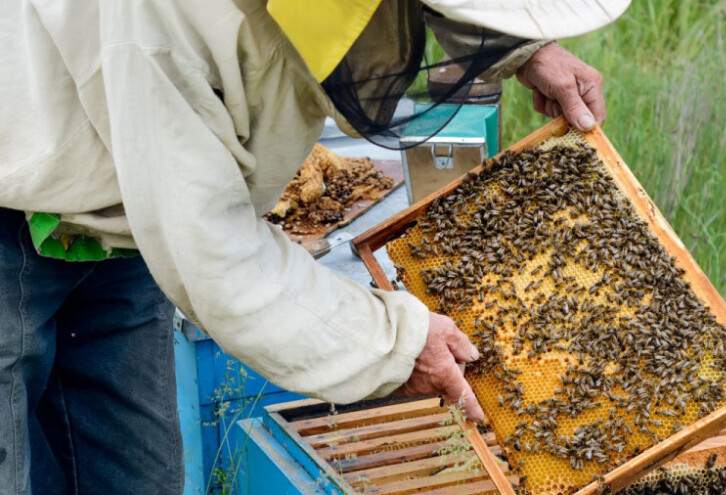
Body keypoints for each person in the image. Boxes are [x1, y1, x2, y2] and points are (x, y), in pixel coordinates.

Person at [0, 0, 629, 492]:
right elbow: (218, 258)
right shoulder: (157, 29)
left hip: (132, 234)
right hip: (23, 212)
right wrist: (397, 345)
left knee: (137, 477)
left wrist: (523, 45)